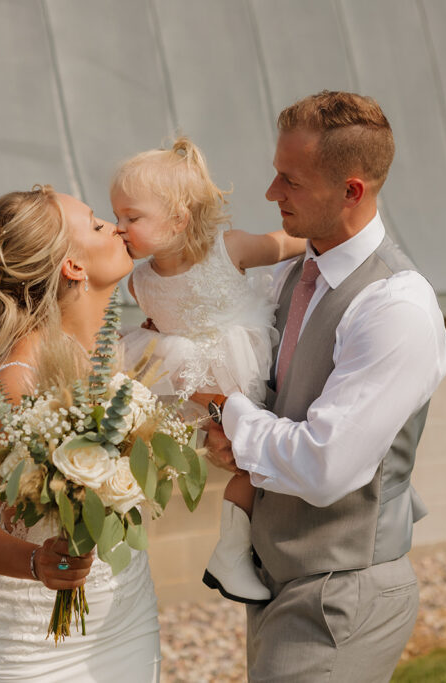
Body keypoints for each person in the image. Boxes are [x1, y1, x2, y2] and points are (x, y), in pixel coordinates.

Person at [202, 91, 446, 682]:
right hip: (280, 581)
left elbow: (326, 465)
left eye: (290, 180)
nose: (271, 194)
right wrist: (228, 438)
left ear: (352, 191)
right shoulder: (295, 275)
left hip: (342, 596)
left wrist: (225, 408)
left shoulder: (396, 306)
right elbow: (276, 413)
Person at [0, 186, 161, 682]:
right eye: (99, 225)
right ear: (73, 268)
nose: (118, 227)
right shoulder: (17, 381)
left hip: (125, 616)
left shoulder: (119, 352)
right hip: (31, 641)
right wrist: (37, 562)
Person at [110, 137, 304, 604]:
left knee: (246, 462)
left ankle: (232, 553)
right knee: (231, 455)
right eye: (116, 216)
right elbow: (159, 327)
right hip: (186, 381)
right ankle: (230, 553)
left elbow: (285, 243)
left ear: (178, 218)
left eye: (131, 218)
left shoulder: (228, 249)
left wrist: (328, 240)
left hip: (236, 365)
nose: (119, 228)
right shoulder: (140, 281)